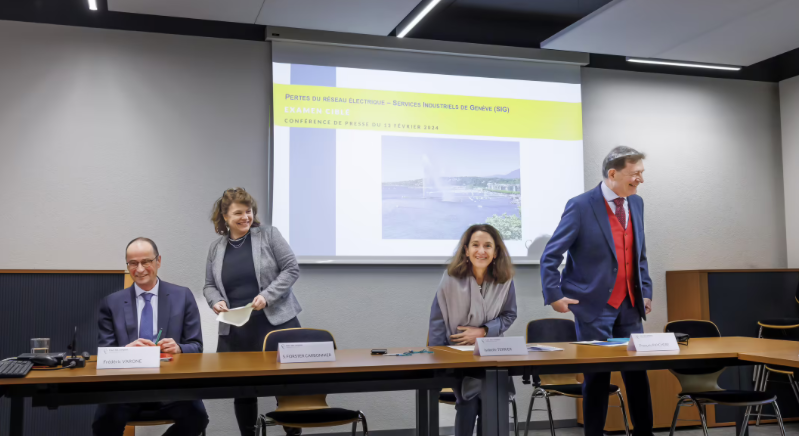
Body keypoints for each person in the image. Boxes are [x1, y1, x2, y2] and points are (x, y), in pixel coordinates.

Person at [540, 146, 654, 436]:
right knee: (597, 377)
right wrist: (554, 295)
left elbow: (639, 254)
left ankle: (645, 433)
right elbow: (551, 255)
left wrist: (646, 291)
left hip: (630, 305)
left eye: (642, 173)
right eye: (635, 174)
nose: (640, 180)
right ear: (613, 173)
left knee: (637, 374)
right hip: (593, 306)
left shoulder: (636, 203)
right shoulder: (580, 205)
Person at [204, 187, 302, 436]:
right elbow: (209, 285)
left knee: (287, 387)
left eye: (248, 211)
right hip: (238, 330)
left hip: (276, 325)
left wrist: (267, 296)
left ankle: (293, 433)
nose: (245, 217)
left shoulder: (269, 235)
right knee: (243, 391)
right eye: (238, 213)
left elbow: (291, 268)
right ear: (225, 216)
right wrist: (215, 301)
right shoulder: (216, 248)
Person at [94, 237, 208, 436]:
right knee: (103, 423)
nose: (139, 269)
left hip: (172, 387)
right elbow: (105, 354)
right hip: (126, 389)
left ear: (158, 261)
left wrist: (179, 348)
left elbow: (196, 346)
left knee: (197, 418)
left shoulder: (182, 296)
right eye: (133, 263)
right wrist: (125, 351)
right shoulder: (111, 303)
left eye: (146, 261)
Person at [428, 224, 517, 436]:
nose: (481, 251)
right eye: (475, 245)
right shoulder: (450, 279)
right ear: (466, 250)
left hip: (492, 352)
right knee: (469, 400)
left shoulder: (505, 280)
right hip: (457, 356)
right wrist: (438, 362)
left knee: (490, 399)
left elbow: (509, 315)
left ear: (496, 252)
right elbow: (437, 322)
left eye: (488, 246)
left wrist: (483, 331)